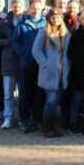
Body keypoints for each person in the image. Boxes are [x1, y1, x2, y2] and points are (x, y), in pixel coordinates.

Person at [32, 10, 71, 138]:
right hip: (49, 73)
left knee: (58, 101)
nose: (55, 19)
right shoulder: (44, 32)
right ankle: (46, 126)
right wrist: (45, 63)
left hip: (62, 73)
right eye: (53, 17)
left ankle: (56, 125)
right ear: (49, 19)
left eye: (58, 17)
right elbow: (36, 50)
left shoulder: (66, 34)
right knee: (51, 100)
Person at [0, 0, 26, 129]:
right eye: (14, 6)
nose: (17, 8)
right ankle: (8, 117)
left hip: (23, 62)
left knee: (24, 93)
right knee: (7, 93)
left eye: (19, 6)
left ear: (23, 7)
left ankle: (23, 118)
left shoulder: (26, 20)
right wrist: (7, 43)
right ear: (11, 7)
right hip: (8, 62)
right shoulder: (4, 22)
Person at [12, 1, 46, 133]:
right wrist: (23, 53)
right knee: (24, 93)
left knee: (39, 93)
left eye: (38, 8)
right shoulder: (22, 25)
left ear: (42, 9)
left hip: (40, 65)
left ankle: (37, 119)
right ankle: (24, 120)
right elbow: (15, 41)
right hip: (26, 64)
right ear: (29, 9)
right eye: (33, 8)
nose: (35, 10)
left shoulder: (45, 24)